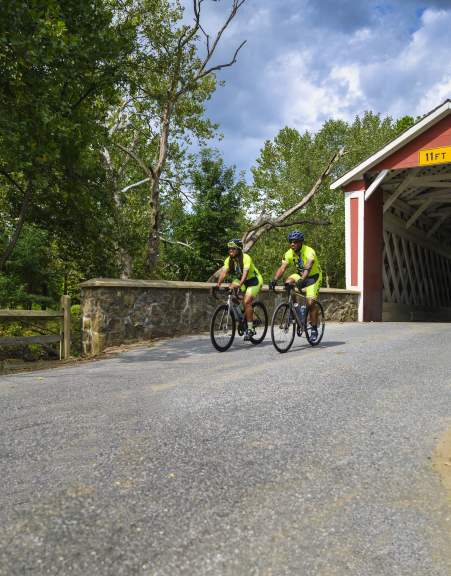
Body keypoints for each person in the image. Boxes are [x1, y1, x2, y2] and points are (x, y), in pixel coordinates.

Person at [269, 230, 322, 342]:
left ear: (301, 242)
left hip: (313, 277)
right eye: (291, 242)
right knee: (288, 282)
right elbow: (283, 268)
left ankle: (313, 329)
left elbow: (308, 266)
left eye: (295, 242)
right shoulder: (289, 253)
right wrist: (274, 280)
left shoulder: (309, 251)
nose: (292, 244)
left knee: (311, 303)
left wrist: (302, 280)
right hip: (301, 275)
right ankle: (296, 308)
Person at [216, 239, 264, 340]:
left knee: (246, 301)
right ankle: (245, 315)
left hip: (254, 280)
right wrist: (218, 284)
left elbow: (245, 274)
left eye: (233, 248)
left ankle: (250, 329)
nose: (230, 250)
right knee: (231, 291)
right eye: (229, 249)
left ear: (238, 249)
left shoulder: (246, 258)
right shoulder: (228, 260)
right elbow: (224, 273)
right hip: (241, 279)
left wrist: (240, 284)